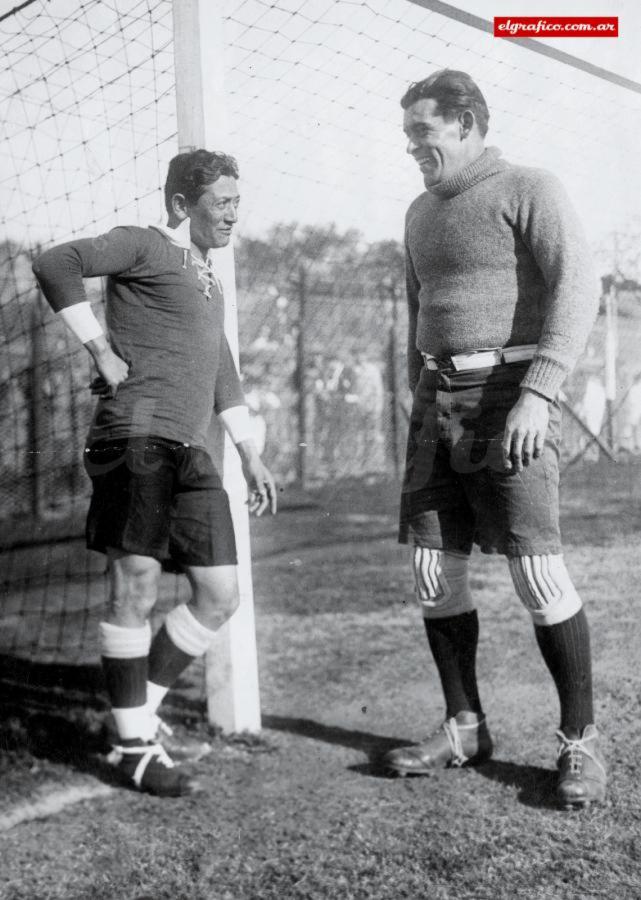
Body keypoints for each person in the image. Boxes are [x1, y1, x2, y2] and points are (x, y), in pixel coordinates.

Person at [382, 70, 605, 809]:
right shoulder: (417, 211)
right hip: (432, 401)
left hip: (511, 397)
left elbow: (578, 286)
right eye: (408, 131)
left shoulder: (528, 188)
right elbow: (422, 313)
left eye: (423, 131)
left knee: (536, 575)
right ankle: (463, 725)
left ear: (468, 121)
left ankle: (578, 743)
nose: (411, 144)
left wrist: (537, 393)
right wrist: (421, 399)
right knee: (428, 568)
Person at [32, 150, 277, 797]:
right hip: (133, 437)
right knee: (135, 583)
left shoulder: (208, 278)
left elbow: (221, 368)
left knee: (220, 593)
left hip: (193, 450)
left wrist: (248, 450)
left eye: (235, 201)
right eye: (222, 201)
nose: (233, 213)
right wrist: (101, 348)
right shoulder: (143, 245)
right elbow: (56, 262)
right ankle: (133, 744)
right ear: (180, 205)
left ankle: (136, 720)